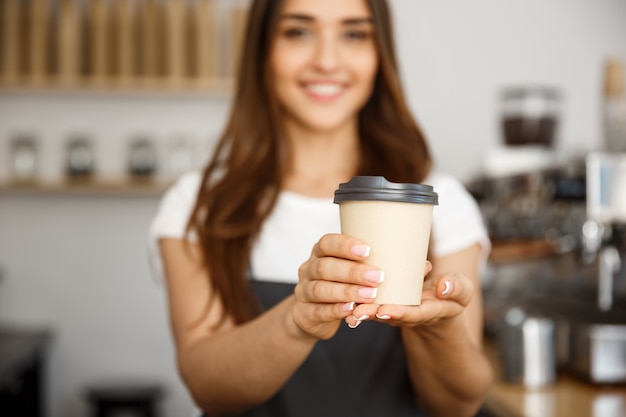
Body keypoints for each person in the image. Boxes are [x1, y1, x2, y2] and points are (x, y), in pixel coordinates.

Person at [148, 0, 493, 416]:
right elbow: (207, 388)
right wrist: (297, 320)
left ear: (380, 53)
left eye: (354, 33)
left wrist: (438, 331)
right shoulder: (199, 206)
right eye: (298, 31)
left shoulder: (443, 204)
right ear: (263, 49)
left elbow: (459, 405)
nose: (327, 61)